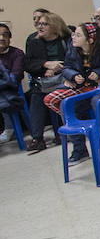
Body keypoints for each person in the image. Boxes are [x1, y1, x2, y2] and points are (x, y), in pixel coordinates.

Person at [41, 22, 100, 162]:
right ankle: (79, 148)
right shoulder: (73, 49)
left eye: (78, 35)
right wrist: (73, 75)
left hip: (98, 87)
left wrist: (98, 72)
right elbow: (67, 67)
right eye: (73, 34)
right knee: (59, 104)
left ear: (90, 40)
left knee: (98, 103)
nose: (73, 37)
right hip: (80, 87)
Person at [23, 11, 71, 152]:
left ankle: (64, 131)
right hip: (43, 80)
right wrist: (45, 65)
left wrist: (58, 68)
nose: (40, 27)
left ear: (55, 26)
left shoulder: (66, 39)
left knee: (63, 94)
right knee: (36, 96)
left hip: (65, 77)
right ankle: (37, 139)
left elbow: (74, 59)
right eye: (39, 24)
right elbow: (27, 64)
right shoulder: (33, 40)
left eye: (44, 24)